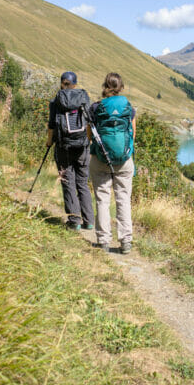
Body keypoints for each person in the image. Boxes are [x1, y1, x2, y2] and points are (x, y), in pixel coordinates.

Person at [88, 72, 136, 254]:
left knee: (102, 198)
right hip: (124, 160)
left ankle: (103, 240)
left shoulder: (95, 108)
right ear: (121, 88)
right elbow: (132, 134)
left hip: (100, 159)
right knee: (123, 199)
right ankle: (126, 242)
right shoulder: (128, 108)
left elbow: (90, 135)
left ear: (104, 87)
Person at [46, 71, 93, 231]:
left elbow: (52, 125)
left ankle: (75, 220)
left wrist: (49, 142)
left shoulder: (56, 101)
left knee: (68, 180)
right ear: (75, 84)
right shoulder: (83, 98)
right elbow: (89, 121)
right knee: (82, 182)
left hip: (63, 146)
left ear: (62, 83)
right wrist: (88, 142)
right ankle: (89, 221)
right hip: (82, 147)